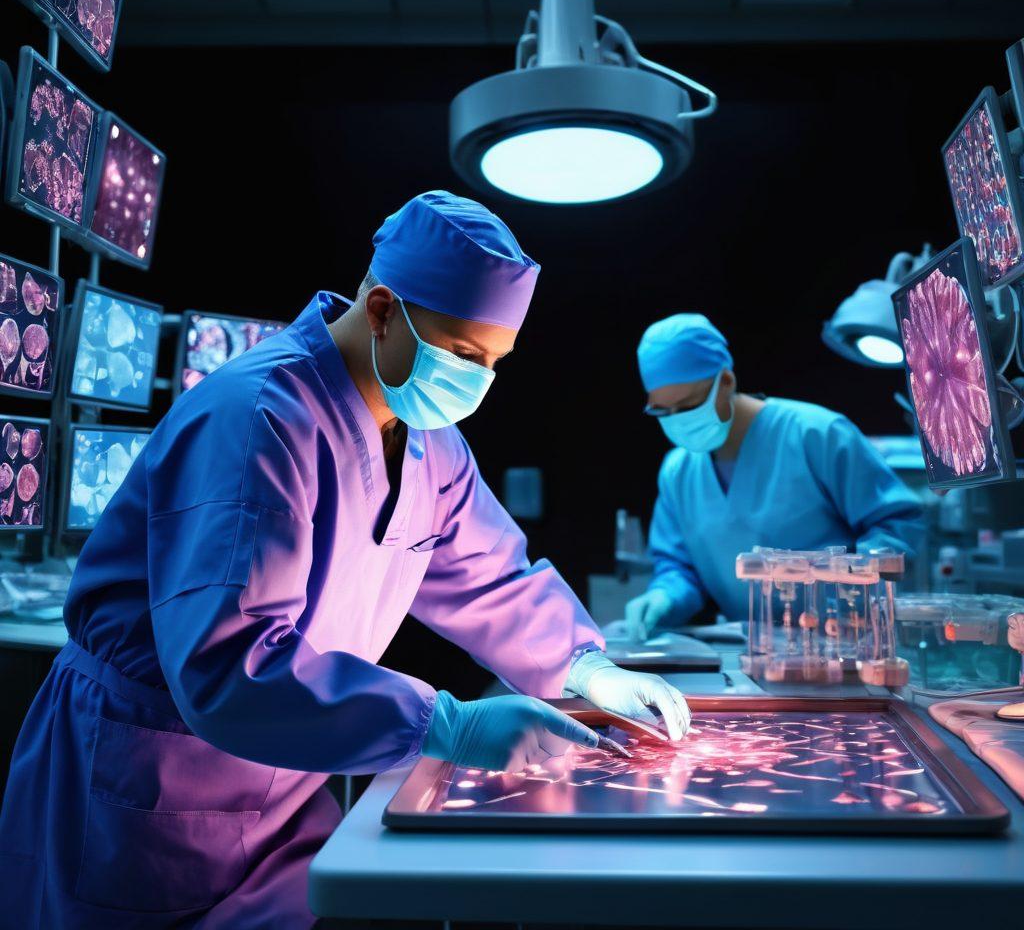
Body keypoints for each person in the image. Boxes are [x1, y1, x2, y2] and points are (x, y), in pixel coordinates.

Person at [0, 192, 690, 929]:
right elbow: (228, 664)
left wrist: (590, 668)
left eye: (493, 363)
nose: (478, 382)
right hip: (148, 782)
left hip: (284, 783)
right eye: (462, 354)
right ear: (384, 311)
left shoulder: (431, 447)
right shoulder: (256, 420)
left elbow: (494, 581)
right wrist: (444, 724)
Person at [625, 313, 924, 641]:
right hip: (755, 652)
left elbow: (898, 525)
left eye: (687, 406)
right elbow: (679, 567)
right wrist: (666, 596)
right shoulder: (678, 473)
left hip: (844, 643)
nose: (677, 420)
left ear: (725, 382)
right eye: (661, 411)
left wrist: (852, 583)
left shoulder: (815, 435)